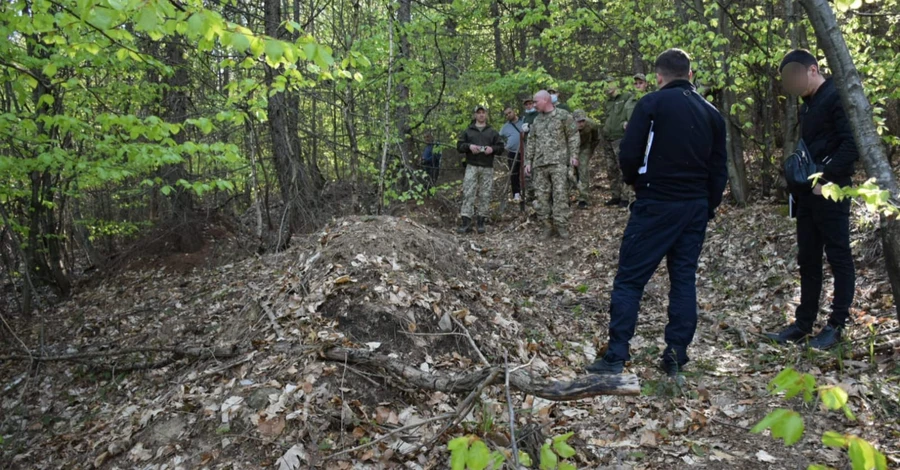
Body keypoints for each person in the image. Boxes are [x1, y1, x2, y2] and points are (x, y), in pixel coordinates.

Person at [586, 49, 728, 376]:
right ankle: (675, 356)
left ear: (659, 77)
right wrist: (707, 205)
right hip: (693, 207)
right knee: (682, 279)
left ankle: (616, 355)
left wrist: (638, 184)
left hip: (657, 203)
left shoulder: (650, 104)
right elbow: (719, 169)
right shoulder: (712, 113)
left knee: (630, 279)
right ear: (690, 75)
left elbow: (629, 153)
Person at [765, 50, 858, 350]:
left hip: (831, 193)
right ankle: (804, 324)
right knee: (808, 259)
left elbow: (852, 144)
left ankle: (836, 326)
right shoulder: (808, 105)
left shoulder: (836, 97)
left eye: (794, 76)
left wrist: (826, 179)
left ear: (813, 70)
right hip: (808, 197)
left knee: (839, 256)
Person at [524, 90, 579, 239]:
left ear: (545, 100)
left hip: (558, 162)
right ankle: (546, 226)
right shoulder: (536, 120)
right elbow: (531, 141)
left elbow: (573, 136)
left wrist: (574, 156)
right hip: (540, 164)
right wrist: (528, 161)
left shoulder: (563, 116)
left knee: (560, 195)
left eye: (536, 102)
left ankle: (561, 225)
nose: (534, 105)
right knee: (541, 197)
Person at [602, 74, 648, 207]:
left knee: (623, 166)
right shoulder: (606, 101)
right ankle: (615, 195)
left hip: (620, 137)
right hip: (608, 136)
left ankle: (625, 196)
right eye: (606, 85)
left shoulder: (626, 97)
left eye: (610, 83)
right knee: (611, 169)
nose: (608, 87)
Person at [456, 105, 504, 234]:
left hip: (487, 167)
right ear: (475, 115)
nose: (481, 115)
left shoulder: (492, 132)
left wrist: (492, 149)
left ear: (486, 115)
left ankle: (481, 222)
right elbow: (459, 146)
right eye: (479, 113)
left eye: (483, 113)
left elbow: (501, 147)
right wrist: (469, 146)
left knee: (485, 194)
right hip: (471, 165)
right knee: (468, 193)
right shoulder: (468, 131)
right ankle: (466, 222)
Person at [573, 109, 602, 209]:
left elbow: (596, 139)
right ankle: (569, 194)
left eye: (583, 121)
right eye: (578, 121)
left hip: (584, 147)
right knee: (568, 171)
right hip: (570, 148)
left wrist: (590, 152)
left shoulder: (591, 125)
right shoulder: (567, 126)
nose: (581, 124)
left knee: (583, 170)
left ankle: (583, 198)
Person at [500, 107, 525, 203]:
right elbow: (499, 138)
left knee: (527, 172)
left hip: (525, 151)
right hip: (512, 153)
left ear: (514, 111)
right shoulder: (505, 127)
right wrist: (505, 145)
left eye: (509, 112)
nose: (508, 115)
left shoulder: (523, 121)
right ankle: (516, 194)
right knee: (514, 174)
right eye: (506, 114)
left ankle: (529, 193)